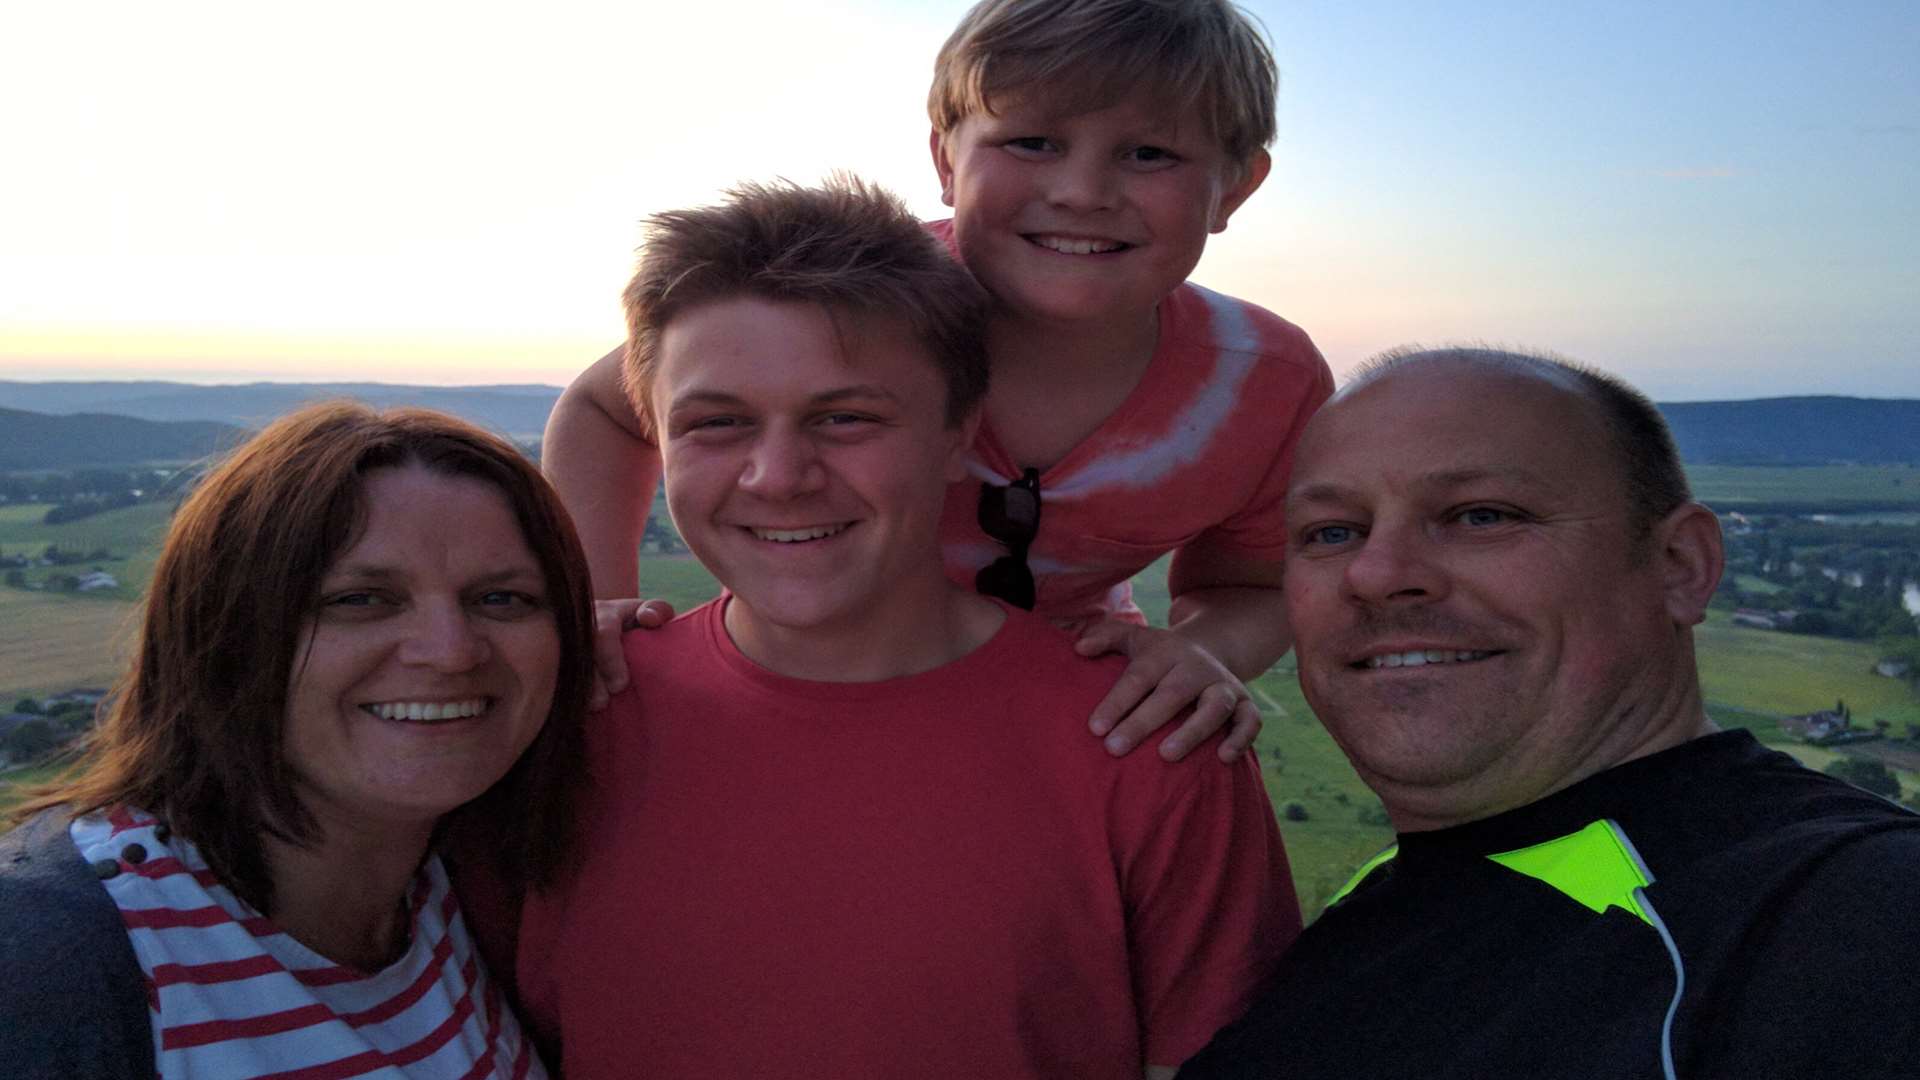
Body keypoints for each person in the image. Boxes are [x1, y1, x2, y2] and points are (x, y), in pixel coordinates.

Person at [497, 175, 1299, 1079]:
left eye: (844, 418)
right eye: (716, 423)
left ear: (961, 432)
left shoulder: (1147, 744)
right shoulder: (556, 723)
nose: (778, 476)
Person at [543, 0, 1334, 762]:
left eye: (1149, 154)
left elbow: (1254, 585)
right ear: (945, 160)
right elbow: (603, 409)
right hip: (812, 667)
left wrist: (1198, 651)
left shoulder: (1266, 386)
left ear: (1233, 187)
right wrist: (597, 612)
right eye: (1031, 142)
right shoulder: (851, 299)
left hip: (1068, 704)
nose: (1083, 192)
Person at [1178, 348, 1920, 1079]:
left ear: (1680, 566)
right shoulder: (1380, 900)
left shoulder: (1848, 909)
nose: (1377, 574)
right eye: (1332, 532)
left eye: (1480, 516)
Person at [0, 403, 596, 1079]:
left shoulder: (463, 885)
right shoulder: (52, 961)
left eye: (502, 599)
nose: (451, 651)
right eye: (360, 598)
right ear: (222, 635)